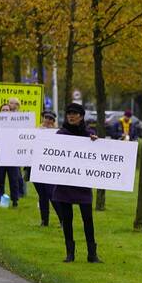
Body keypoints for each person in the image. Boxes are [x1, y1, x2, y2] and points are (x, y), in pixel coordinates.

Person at [52, 102, 100, 263]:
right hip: (65, 183)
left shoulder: (89, 135)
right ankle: (70, 253)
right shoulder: (61, 134)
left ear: (81, 116)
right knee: (67, 219)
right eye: (69, 113)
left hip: (82, 183)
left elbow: (97, 156)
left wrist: (96, 143)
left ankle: (92, 254)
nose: (71, 116)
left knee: (88, 219)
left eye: (75, 113)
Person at [33, 110, 59, 226]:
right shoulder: (34, 131)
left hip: (51, 169)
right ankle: (44, 221)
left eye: (51, 119)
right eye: (46, 118)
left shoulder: (58, 133)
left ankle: (62, 219)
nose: (48, 121)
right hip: (37, 167)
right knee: (42, 195)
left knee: (52, 194)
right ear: (42, 118)